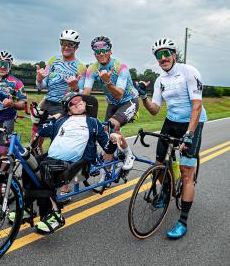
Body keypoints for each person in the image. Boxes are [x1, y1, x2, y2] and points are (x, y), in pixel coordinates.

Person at [28, 92, 131, 234]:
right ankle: (27, 209)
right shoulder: (61, 121)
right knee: (28, 165)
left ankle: (55, 214)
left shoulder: (93, 123)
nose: (77, 102)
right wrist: (41, 118)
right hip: (52, 159)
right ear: (67, 109)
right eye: (72, 102)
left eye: (79, 100)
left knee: (45, 168)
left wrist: (113, 140)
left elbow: (107, 147)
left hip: (76, 164)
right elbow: (42, 130)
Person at [136, 38, 207, 239]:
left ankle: (183, 221)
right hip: (172, 121)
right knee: (159, 163)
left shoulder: (189, 72)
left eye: (166, 53)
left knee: (186, 171)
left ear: (174, 54)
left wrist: (190, 134)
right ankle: (167, 190)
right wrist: (143, 97)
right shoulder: (160, 80)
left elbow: (197, 106)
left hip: (193, 121)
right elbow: (154, 110)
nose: (163, 58)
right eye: (158, 55)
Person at [34, 29, 87, 199]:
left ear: (76, 47)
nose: (66, 46)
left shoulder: (80, 67)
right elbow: (41, 87)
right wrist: (39, 78)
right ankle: (39, 176)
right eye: (63, 42)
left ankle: (65, 186)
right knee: (35, 140)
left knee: (60, 145)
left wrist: (74, 88)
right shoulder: (53, 61)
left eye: (70, 44)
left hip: (64, 107)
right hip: (48, 102)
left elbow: (82, 94)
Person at [82, 36, 139, 186]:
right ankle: (105, 173)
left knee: (113, 125)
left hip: (128, 101)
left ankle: (129, 154)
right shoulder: (92, 69)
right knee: (106, 137)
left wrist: (107, 81)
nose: (101, 54)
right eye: (97, 51)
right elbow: (86, 92)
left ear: (110, 51)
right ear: (94, 53)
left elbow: (119, 94)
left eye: (104, 50)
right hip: (112, 104)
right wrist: (76, 93)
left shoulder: (121, 68)